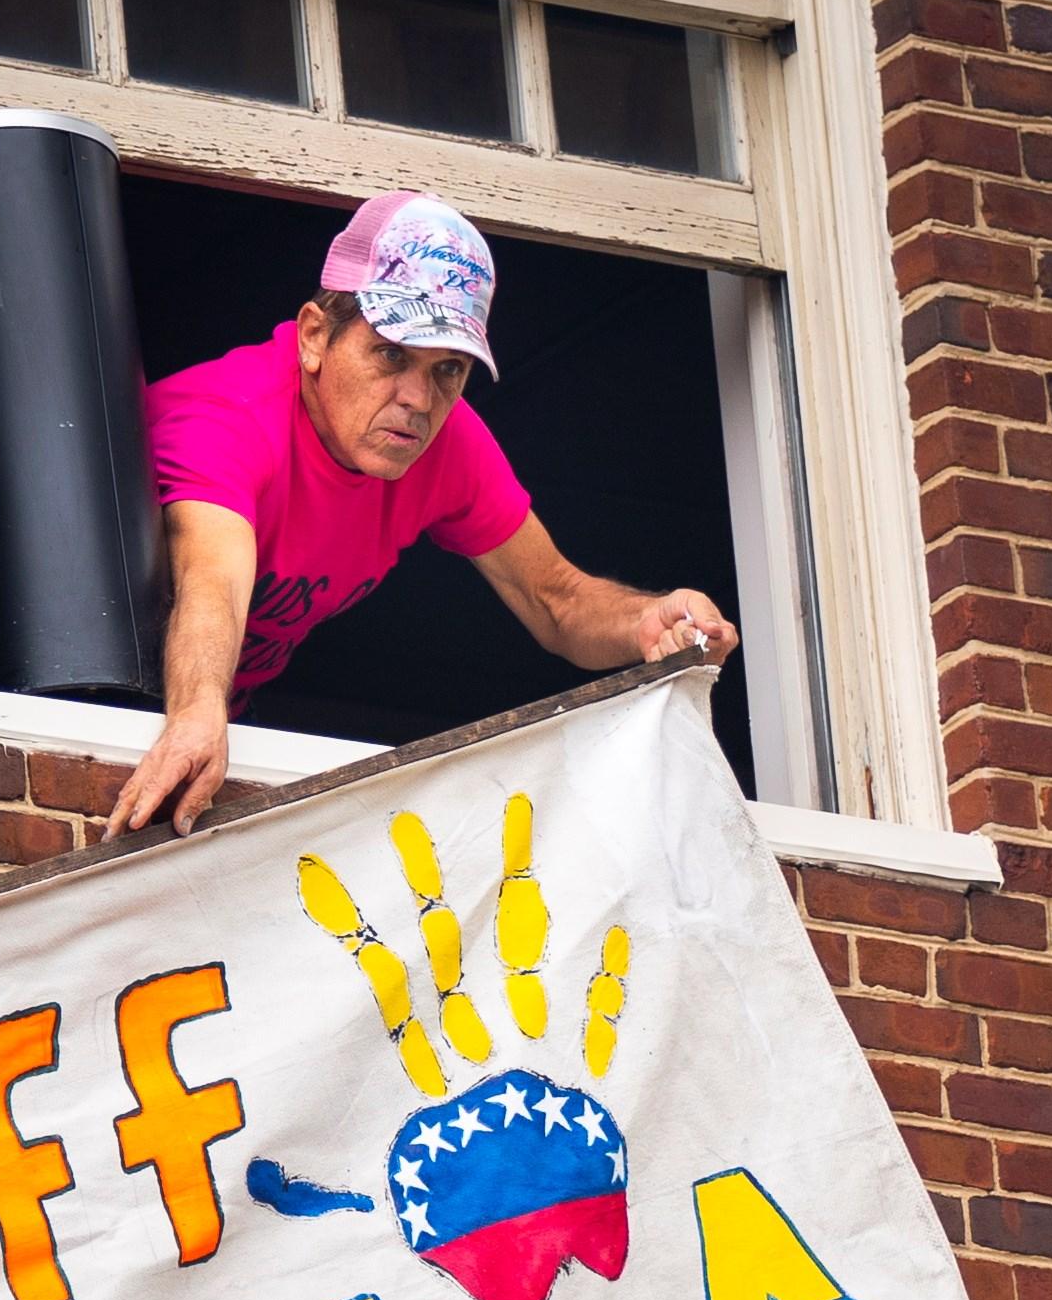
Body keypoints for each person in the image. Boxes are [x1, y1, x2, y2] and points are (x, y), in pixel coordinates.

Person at [111, 191, 735, 832]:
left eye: (449, 370)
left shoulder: (446, 442)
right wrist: (194, 715)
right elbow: (212, 578)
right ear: (314, 337)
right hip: (114, 718)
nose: (418, 397)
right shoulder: (231, 418)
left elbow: (558, 600)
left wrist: (645, 621)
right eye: (391, 355)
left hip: (204, 731)